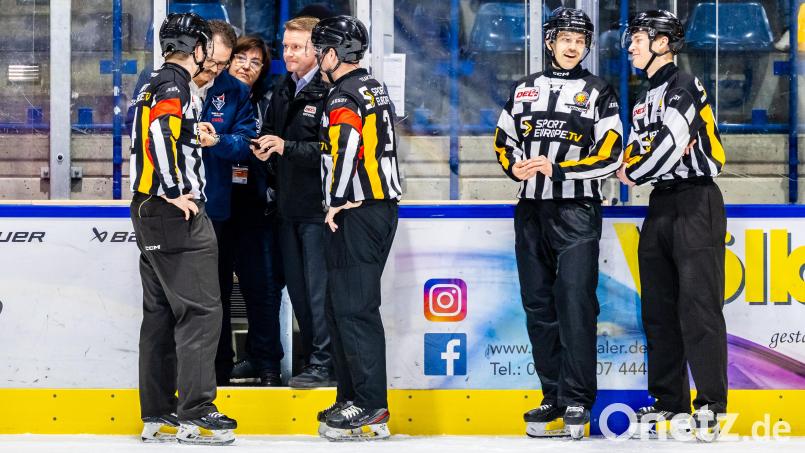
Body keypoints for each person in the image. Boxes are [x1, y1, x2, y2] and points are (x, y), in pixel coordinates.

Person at [493, 7, 623, 441]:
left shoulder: (600, 90)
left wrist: (559, 170)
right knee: (539, 308)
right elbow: (502, 140)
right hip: (530, 213)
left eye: (580, 40)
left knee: (576, 306)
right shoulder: (524, 88)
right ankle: (552, 394)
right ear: (550, 41)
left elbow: (611, 154)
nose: (573, 46)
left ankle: (578, 401)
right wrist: (517, 168)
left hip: (577, 213)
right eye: (566, 38)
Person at [617, 9, 728, 442]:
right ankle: (669, 403)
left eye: (638, 38)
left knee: (698, 308)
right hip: (660, 206)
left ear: (662, 42)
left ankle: (711, 406)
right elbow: (632, 150)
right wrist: (637, 166)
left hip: (696, 202)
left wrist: (636, 170)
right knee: (659, 312)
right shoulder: (645, 97)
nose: (630, 46)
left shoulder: (685, 85)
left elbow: (664, 149)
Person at [128, 12, 237, 445]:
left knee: (159, 316)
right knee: (201, 312)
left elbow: (161, 128)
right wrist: (174, 188)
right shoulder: (175, 83)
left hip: (147, 208)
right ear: (196, 48)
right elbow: (158, 132)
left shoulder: (154, 81)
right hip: (175, 212)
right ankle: (195, 413)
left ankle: (158, 416)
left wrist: (193, 130)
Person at [310, 15, 402, 441]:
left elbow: (345, 146)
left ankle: (369, 405)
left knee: (354, 307)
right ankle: (351, 397)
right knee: (341, 305)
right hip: (376, 208)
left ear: (332, 53)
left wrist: (337, 200)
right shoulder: (371, 85)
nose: (315, 59)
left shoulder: (343, 94)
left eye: (318, 51)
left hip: (357, 210)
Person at [197, 28, 286, 387]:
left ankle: (265, 362)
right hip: (213, 206)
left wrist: (219, 140)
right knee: (213, 289)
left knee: (260, 286)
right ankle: (219, 366)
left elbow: (243, 142)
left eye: (256, 62)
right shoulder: (196, 88)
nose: (246, 66)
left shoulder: (262, 97)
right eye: (239, 59)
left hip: (252, 205)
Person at [252, 16, 335, 389]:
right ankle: (312, 360)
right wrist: (264, 146)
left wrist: (286, 148)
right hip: (287, 210)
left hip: (319, 211)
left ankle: (325, 362)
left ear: (317, 50)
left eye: (296, 47)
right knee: (300, 292)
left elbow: (333, 150)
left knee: (320, 293)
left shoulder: (331, 91)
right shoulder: (282, 88)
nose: (287, 54)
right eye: (285, 46)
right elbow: (271, 132)